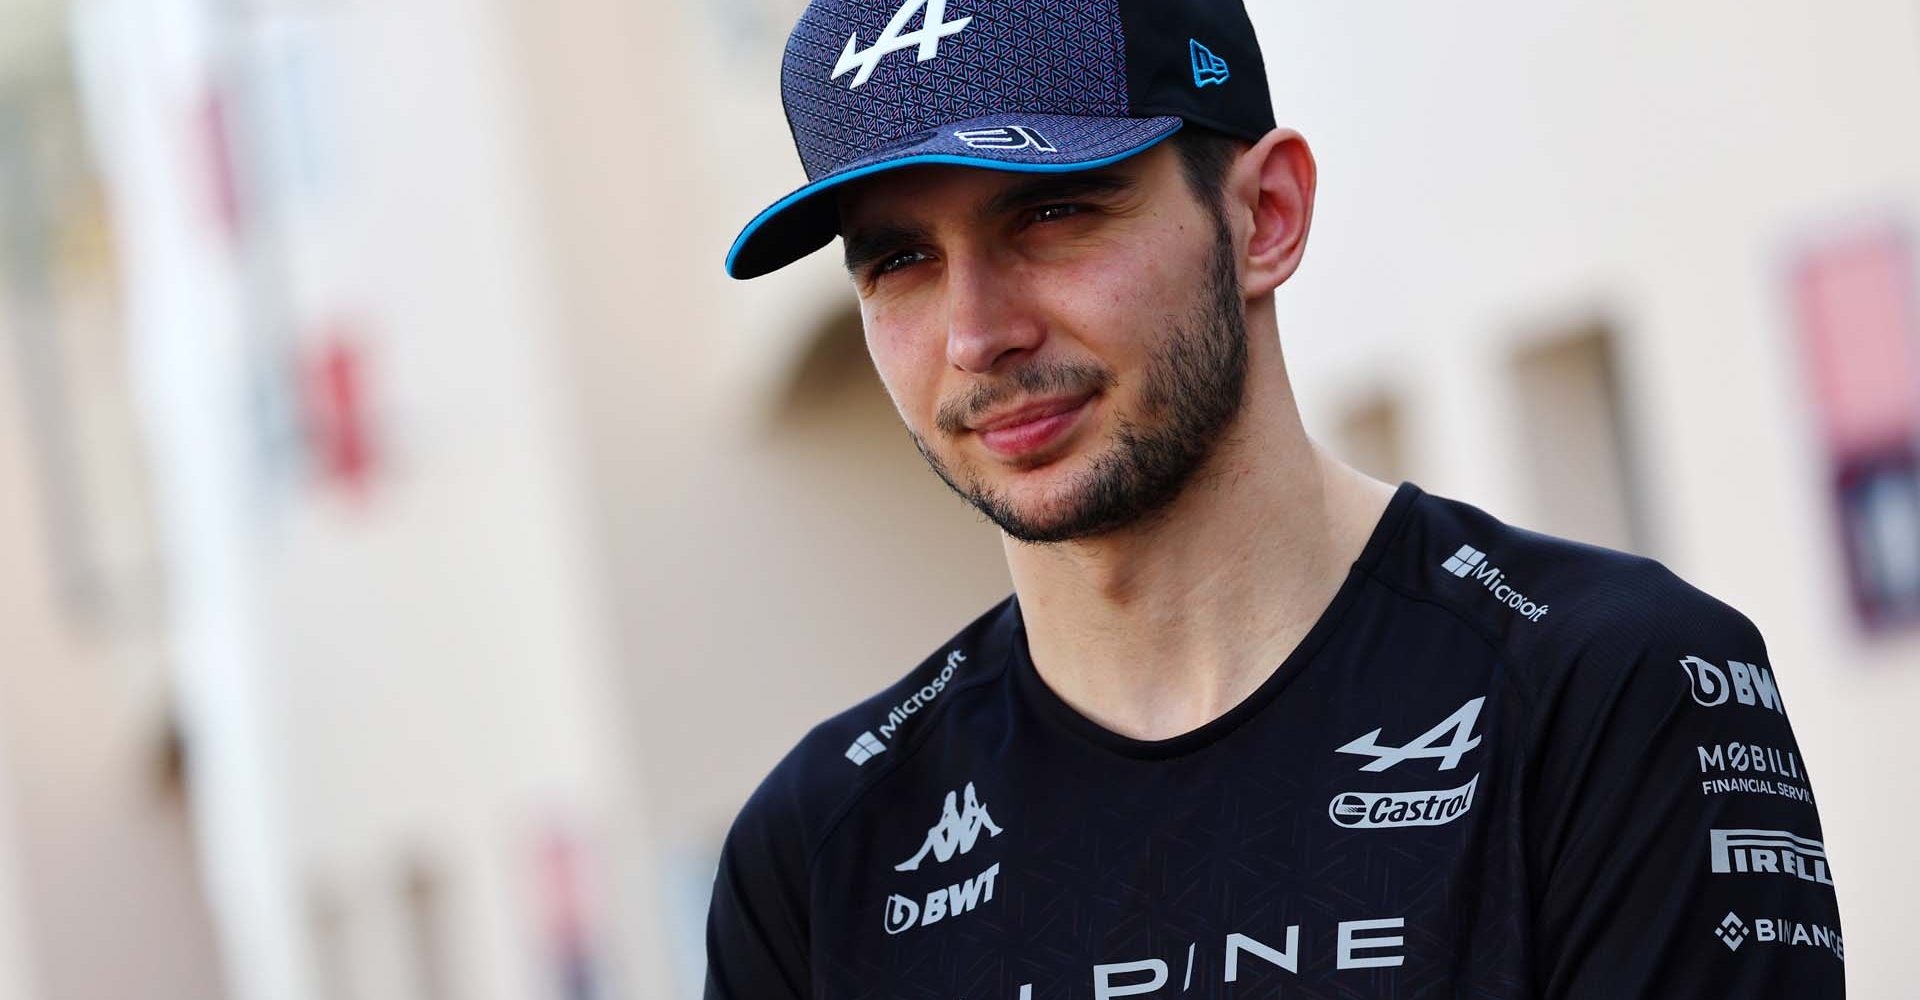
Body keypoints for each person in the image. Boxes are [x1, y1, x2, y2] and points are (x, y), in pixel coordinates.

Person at [706, 0, 1845, 996]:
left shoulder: (1604, 691)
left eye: (1051, 213)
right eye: (899, 261)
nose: (977, 334)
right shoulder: (817, 852)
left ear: (1266, 215)